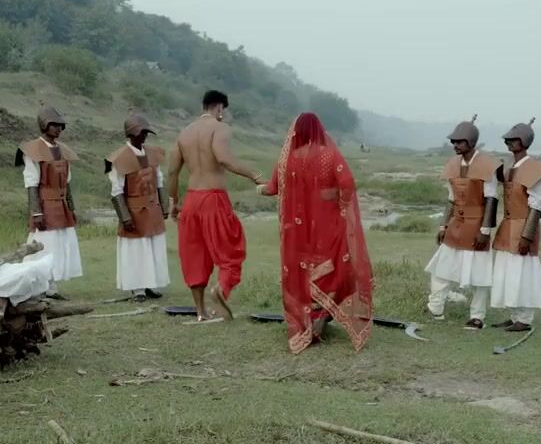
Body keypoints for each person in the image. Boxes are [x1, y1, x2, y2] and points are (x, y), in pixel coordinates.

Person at [257, 114, 373, 353]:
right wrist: (338, 203)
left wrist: (259, 188)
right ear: (319, 130)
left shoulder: (288, 158)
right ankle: (321, 318)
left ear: (296, 132)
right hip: (328, 226)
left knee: (303, 272)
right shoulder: (329, 154)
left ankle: (308, 323)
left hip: (297, 231)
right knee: (337, 269)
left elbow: (272, 188)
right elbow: (347, 182)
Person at [166, 90, 264, 321]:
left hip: (191, 200)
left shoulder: (185, 132)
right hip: (213, 197)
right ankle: (221, 289)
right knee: (231, 247)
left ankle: (200, 312)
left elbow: (172, 172)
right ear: (220, 107)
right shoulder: (220, 128)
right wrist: (255, 175)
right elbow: (223, 158)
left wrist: (173, 202)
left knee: (194, 254)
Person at [425, 115, 502, 330]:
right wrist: (443, 225)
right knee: (441, 268)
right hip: (456, 224)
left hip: (477, 225)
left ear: (471, 142)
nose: (455, 145)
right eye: (454, 141)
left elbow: (491, 199)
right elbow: (451, 199)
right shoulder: (452, 164)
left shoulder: (487, 165)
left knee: (480, 275)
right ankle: (435, 307)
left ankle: (477, 316)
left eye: (459, 141)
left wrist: (485, 230)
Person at [15, 106, 83, 299]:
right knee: (45, 245)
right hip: (45, 205)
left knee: (60, 246)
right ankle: (37, 287)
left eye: (61, 125)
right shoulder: (33, 150)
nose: (58, 129)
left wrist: (71, 207)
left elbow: (67, 182)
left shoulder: (63, 150)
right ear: (44, 125)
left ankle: (51, 288)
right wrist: (36, 212)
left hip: (61, 205)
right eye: (54, 125)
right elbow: (31, 183)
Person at [489, 118, 541, 332]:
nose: (509, 143)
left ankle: (524, 318)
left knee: (523, 272)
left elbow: (538, 204)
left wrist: (527, 236)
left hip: (524, 227)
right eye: (507, 139)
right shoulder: (511, 167)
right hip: (508, 225)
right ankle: (515, 315)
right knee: (508, 271)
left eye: (513, 139)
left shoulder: (533, 168)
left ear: (524, 142)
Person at [106, 114, 169, 302]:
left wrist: (164, 206)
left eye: (146, 132)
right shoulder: (119, 158)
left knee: (153, 247)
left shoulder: (152, 153)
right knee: (136, 250)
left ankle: (150, 284)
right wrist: (125, 217)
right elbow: (117, 190)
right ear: (131, 133)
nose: (144, 136)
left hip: (153, 209)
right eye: (141, 132)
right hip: (134, 211)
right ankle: (137, 288)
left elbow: (159, 181)